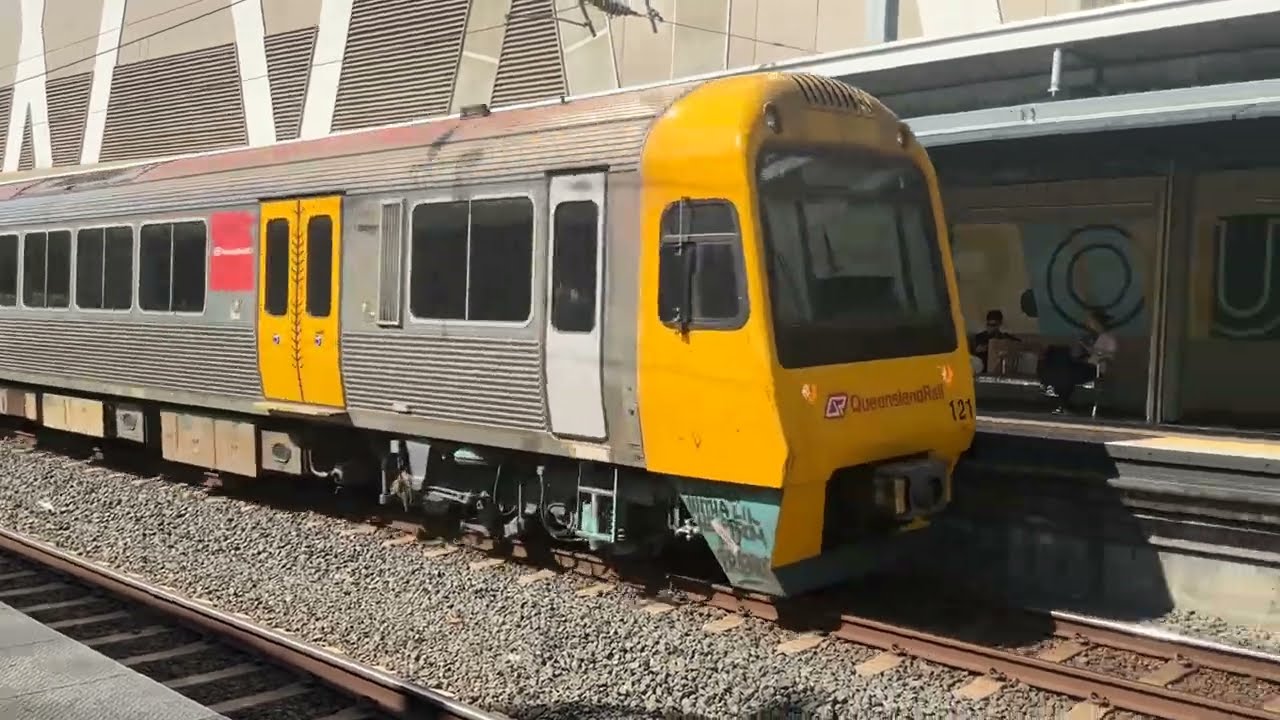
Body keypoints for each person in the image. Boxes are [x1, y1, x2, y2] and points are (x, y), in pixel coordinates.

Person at [1037, 308, 1117, 414]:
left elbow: (1109, 356)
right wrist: (1079, 348)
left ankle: (1061, 401)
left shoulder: (1108, 338)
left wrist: (1088, 348)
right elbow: (1079, 354)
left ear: (1097, 322)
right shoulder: (1090, 336)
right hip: (1083, 365)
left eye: (1091, 321)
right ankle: (1060, 398)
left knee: (1066, 372)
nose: (1088, 324)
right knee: (1059, 356)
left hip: (1094, 369)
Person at [971, 309, 1020, 374]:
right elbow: (976, 351)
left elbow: (1017, 343)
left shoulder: (1004, 336)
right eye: (989, 324)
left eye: (994, 325)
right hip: (983, 369)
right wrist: (987, 347)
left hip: (999, 369)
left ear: (999, 324)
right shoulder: (980, 337)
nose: (991, 327)